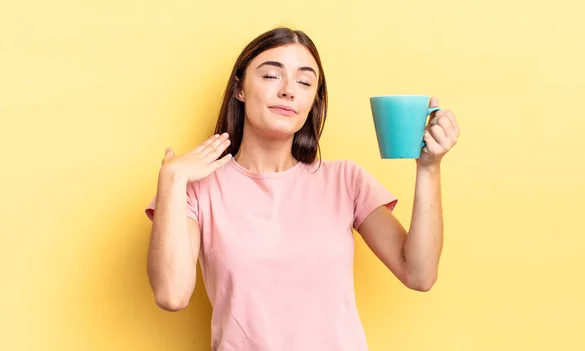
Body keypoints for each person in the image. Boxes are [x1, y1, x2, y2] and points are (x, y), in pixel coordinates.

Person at [144, 27, 460, 351]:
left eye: (304, 82)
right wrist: (171, 180)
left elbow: (419, 274)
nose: (288, 91)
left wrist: (429, 167)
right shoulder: (199, 188)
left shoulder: (345, 180)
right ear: (239, 88)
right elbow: (171, 294)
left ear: (313, 101)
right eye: (271, 75)